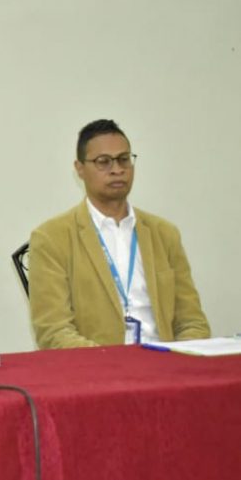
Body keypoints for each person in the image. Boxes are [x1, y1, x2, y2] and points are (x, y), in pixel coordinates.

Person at [29, 119, 210, 349]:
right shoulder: (51, 238)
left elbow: (192, 322)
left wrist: (179, 358)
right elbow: (54, 332)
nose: (117, 169)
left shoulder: (164, 234)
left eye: (124, 159)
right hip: (98, 365)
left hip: (165, 362)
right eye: (103, 162)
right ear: (80, 169)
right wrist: (112, 364)